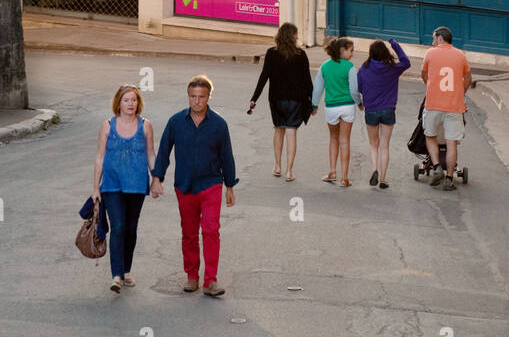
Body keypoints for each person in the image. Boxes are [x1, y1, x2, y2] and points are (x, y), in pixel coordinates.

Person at [150, 75, 237, 297]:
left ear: (208, 97)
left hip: (211, 184)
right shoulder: (176, 122)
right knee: (189, 233)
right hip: (185, 185)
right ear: (188, 97)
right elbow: (164, 151)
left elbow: (227, 155)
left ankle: (210, 281)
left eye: (201, 97)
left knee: (210, 231)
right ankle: (191, 276)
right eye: (193, 97)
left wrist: (229, 185)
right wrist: (157, 178)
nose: (197, 101)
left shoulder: (219, 124)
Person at [92, 83, 155, 294]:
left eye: (134, 100)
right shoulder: (107, 126)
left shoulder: (145, 125)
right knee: (118, 227)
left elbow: (150, 155)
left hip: (136, 185)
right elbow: (100, 158)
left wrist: (157, 179)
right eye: (126, 100)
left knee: (131, 228)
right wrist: (95, 188)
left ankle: (127, 269)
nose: (131, 104)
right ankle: (116, 275)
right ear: (118, 103)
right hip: (112, 185)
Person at [248, 22, 313, 181]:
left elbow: (264, 77)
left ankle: (277, 166)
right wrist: (313, 102)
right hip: (295, 100)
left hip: (276, 99)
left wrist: (254, 98)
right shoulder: (300, 55)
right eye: (296, 34)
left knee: (278, 130)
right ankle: (289, 171)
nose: (298, 37)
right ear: (292, 36)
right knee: (291, 132)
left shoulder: (271, 53)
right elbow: (307, 81)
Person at [421, 26, 472, 190]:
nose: (433, 41)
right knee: (452, 142)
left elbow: (424, 74)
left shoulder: (430, 53)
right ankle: (449, 178)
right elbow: (468, 78)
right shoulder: (460, 55)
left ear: (440, 38)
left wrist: (431, 87)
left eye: (434, 37)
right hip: (454, 106)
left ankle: (436, 167)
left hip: (434, 103)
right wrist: (460, 92)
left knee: (430, 135)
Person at [357, 38, 411, 188]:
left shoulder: (364, 69)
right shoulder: (392, 68)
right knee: (385, 145)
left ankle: (374, 169)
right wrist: (395, 44)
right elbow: (406, 62)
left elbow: (359, 87)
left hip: (371, 110)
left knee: (373, 144)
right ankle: (383, 178)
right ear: (385, 52)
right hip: (388, 110)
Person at [311, 37, 361, 187]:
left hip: (331, 107)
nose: (352, 54)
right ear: (342, 50)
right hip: (347, 107)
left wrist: (314, 105)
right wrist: (359, 103)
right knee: (345, 142)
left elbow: (318, 89)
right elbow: (353, 90)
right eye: (350, 50)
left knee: (333, 139)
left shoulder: (324, 67)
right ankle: (344, 177)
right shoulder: (350, 67)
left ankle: (332, 171)